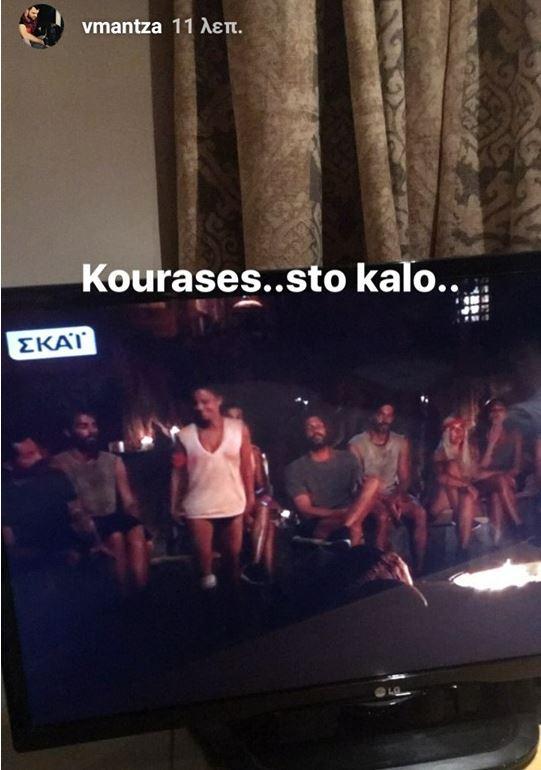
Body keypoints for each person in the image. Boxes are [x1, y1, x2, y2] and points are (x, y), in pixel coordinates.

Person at [53, 411, 151, 594]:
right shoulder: (61, 463)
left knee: (136, 530)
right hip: (84, 521)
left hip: (111, 516)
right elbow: (71, 505)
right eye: (83, 426)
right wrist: (88, 530)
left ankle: (141, 592)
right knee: (116, 536)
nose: (91, 431)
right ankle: (122, 595)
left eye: (93, 425)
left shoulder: (112, 461)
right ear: (69, 432)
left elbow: (127, 499)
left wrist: (134, 514)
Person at [170, 387, 255, 590]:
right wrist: (174, 504)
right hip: (198, 505)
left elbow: (246, 467)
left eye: (205, 401)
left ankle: (234, 601)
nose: (200, 407)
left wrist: (250, 497)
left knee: (232, 559)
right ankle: (208, 601)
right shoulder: (184, 436)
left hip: (232, 501)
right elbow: (178, 471)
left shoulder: (239, 429)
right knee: (204, 567)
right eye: (195, 403)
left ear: (218, 400)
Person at [349, 403, 427, 574]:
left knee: (420, 513)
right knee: (383, 516)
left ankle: (420, 568)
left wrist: (396, 497)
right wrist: (385, 501)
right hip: (370, 496)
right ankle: (379, 569)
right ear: (373, 415)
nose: (385, 419)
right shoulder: (356, 444)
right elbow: (359, 483)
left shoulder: (400, 441)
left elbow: (404, 477)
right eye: (381, 414)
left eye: (389, 415)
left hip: (393, 492)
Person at [285, 413, 382, 548]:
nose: (315, 430)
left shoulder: (347, 458)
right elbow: (305, 509)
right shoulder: (296, 468)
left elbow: (361, 492)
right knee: (355, 526)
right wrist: (340, 513)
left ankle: (346, 529)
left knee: (374, 481)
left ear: (327, 429)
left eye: (319, 426)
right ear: (303, 433)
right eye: (310, 427)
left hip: (351, 512)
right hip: (323, 518)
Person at [2, 437, 87, 567]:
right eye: (29, 455)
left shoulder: (56, 477)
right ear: (9, 464)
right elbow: (8, 538)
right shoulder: (7, 491)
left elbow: (77, 512)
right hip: (31, 559)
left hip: (67, 549)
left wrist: (92, 541)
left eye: (38, 452)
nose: (38, 458)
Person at [224, 405, 277, 585]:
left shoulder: (253, 451)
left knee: (265, 507)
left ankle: (257, 569)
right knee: (269, 526)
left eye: (239, 417)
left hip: (251, 501)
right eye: (231, 418)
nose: (236, 422)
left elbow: (261, 487)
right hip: (225, 502)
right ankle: (264, 575)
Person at [475, 399, 523, 544]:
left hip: (506, 480)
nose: (496, 413)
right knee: (500, 482)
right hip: (484, 481)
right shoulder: (481, 435)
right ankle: (518, 524)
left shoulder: (515, 435)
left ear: (506, 413)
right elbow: (479, 470)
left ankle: (496, 541)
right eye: (493, 410)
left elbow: (517, 467)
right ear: (489, 415)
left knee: (496, 495)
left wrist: (507, 476)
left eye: (500, 410)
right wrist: (491, 444)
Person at [430, 417, 479, 552]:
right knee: (451, 467)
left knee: (467, 498)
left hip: (463, 498)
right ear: (446, 433)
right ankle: (460, 518)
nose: (458, 432)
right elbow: (441, 478)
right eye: (454, 429)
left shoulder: (470, 451)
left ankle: (463, 549)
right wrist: (466, 485)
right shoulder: (439, 453)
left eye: (461, 429)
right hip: (440, 499)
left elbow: (477, 474)